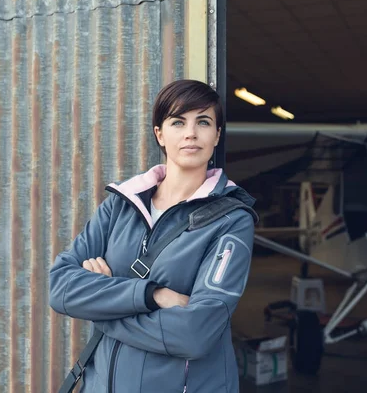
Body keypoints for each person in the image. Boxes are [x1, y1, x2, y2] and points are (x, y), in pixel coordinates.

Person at [49, 79, 258, 393]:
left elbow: (195, 333)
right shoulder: (120, 205)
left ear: (216, 135)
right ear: (160, 133)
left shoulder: (231, 221)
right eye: (178, 122)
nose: (191, 133)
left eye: (203, 122)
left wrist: (100, 305)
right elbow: (60, 287)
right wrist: (152, 295)